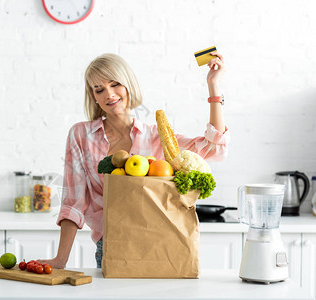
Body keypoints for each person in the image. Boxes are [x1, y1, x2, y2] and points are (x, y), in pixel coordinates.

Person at [38, 52, 229, 269]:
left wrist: (214, 87)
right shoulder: (81, 136)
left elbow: (215, 149)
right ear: (94, 97)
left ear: (128, 84)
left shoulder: (157, 137)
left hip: (160, 245)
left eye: (115, 84)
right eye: (99, 89)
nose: (109, 94)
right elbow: (74, 201)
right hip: (110, 245)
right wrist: (60, 260)